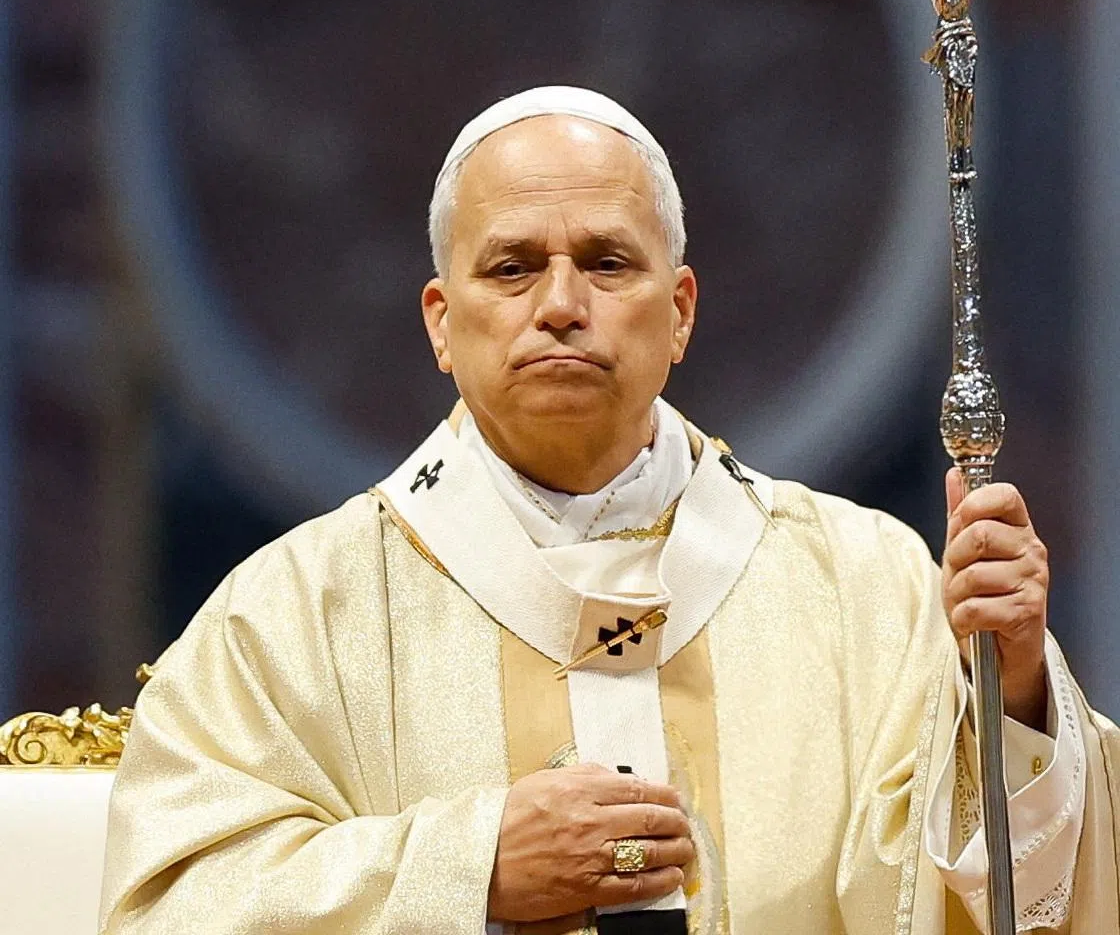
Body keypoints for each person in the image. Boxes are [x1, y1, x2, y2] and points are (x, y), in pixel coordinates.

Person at [99, 87, 1120, 935]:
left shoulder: (862, 582)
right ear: (441, 322)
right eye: (510, 266)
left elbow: (1002, 897)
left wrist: (1015, 683)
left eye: (605, 261)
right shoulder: (292, 617)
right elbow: (167, 904)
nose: (557, 302)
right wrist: (473, 867)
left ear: (678, 310)